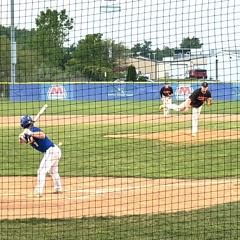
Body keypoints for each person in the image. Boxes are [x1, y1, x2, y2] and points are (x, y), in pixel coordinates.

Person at [19, 115, 63, 197]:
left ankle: (38, 191)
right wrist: (21, 137)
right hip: (54, 151)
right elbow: (23, 142)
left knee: (41, 171)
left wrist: (30, 133)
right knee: (52, 171)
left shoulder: (34, 130)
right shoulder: (28, 133)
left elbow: (42, 135)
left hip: (51, 151)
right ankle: (58, 188)